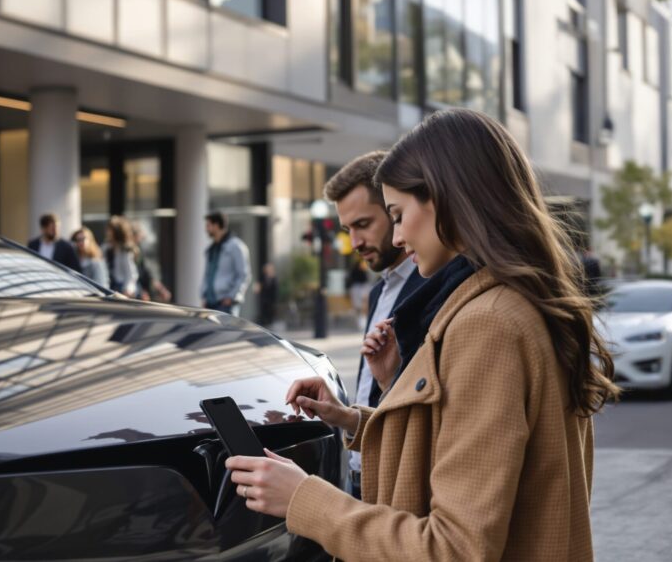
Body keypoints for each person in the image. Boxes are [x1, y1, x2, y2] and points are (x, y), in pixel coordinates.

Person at [225, 108, 620, 561]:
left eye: (397, 214)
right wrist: (356, 419)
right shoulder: (513, 302)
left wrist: (304, 499)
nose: (395, 237)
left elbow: (454, 548)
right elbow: (465, 448)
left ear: (445, 199)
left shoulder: (487, 322)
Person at [321, 150, 426, 500]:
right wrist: (343, 414)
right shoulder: (380, 289)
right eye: (348, 229)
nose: (355, 243)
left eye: (363, 224)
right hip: (362, 475)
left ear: (395, 211)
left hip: (403, 485)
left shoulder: (434, 286)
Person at [201, 211, 251, 316]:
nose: (206, 229)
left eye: (208, 225)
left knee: (226, 332)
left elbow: (244, 275)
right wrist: (204, 295)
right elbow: (208, 274)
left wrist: (231, 297)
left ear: (216, 225)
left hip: (226, 304)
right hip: (210, 303)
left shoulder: (236, 246)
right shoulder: (211, 249)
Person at [104, 216, 139, 297]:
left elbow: (131, 274)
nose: (108, 232)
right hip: (109, 287)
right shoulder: (106, 248)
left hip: (122, 288)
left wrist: (128, 290)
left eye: (110, 230)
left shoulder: (125, 250)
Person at [345, 258, 370, 330]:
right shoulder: (357, 272)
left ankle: (362, 321)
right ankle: (361, 322)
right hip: (357, 288)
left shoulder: (362, 271)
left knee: (363, 304)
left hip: (360, 287)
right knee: (358, 306)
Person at [254, 263, 278, 328]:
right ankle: (264, 325)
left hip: (271, 300)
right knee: (263, 314)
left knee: (270, 314)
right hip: (263, 299)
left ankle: (270, 325)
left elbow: (275, 290)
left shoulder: (274, 278)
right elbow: (257, 287)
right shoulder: (262, 277)